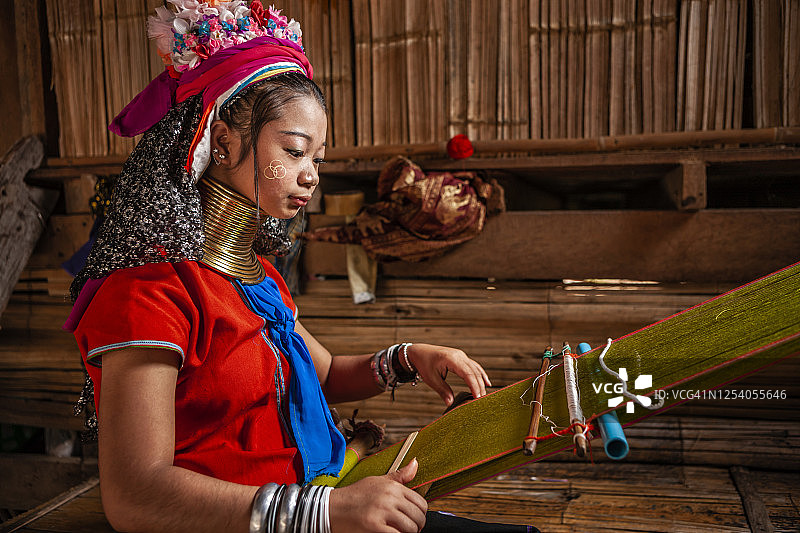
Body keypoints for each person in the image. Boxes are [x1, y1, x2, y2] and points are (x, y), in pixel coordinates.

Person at [65, 2, 535, 532]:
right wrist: (326, 512)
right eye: (294, 152)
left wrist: (408, 358)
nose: (310, 176)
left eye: (318, 159)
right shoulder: (148, 296)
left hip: (323, 500)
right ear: (223, 143)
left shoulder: (256, 279)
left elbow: (324, 373)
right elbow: (135, 496)